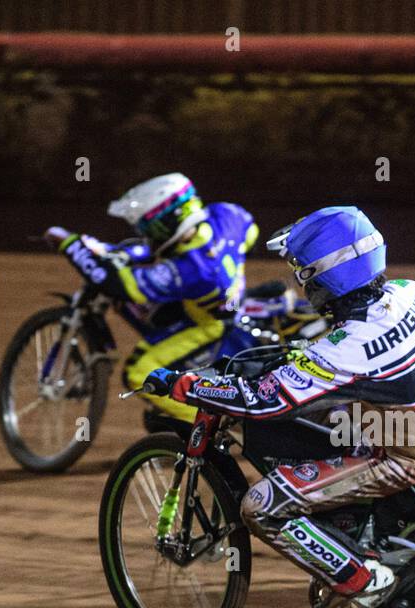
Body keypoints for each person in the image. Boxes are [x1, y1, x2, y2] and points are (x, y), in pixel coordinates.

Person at [141, 206, 415, 608]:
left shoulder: (347, 347)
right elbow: (345, 358)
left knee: (262, 506)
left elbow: (262, 400)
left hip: (396, 452)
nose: (301, 279)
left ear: (329, 274)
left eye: (304, 270)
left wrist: (184, 385)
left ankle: (362, 581)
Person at [45, 173, 259, 422]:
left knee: (140, 372)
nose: (146, 234)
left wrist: (71, 245)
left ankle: (212, 424)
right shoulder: (224, 215)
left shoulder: (192, 269)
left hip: (210, 323)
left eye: (151, 228)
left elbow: (123, 286)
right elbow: (250, 232)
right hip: (229, 300)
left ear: (174, 219)